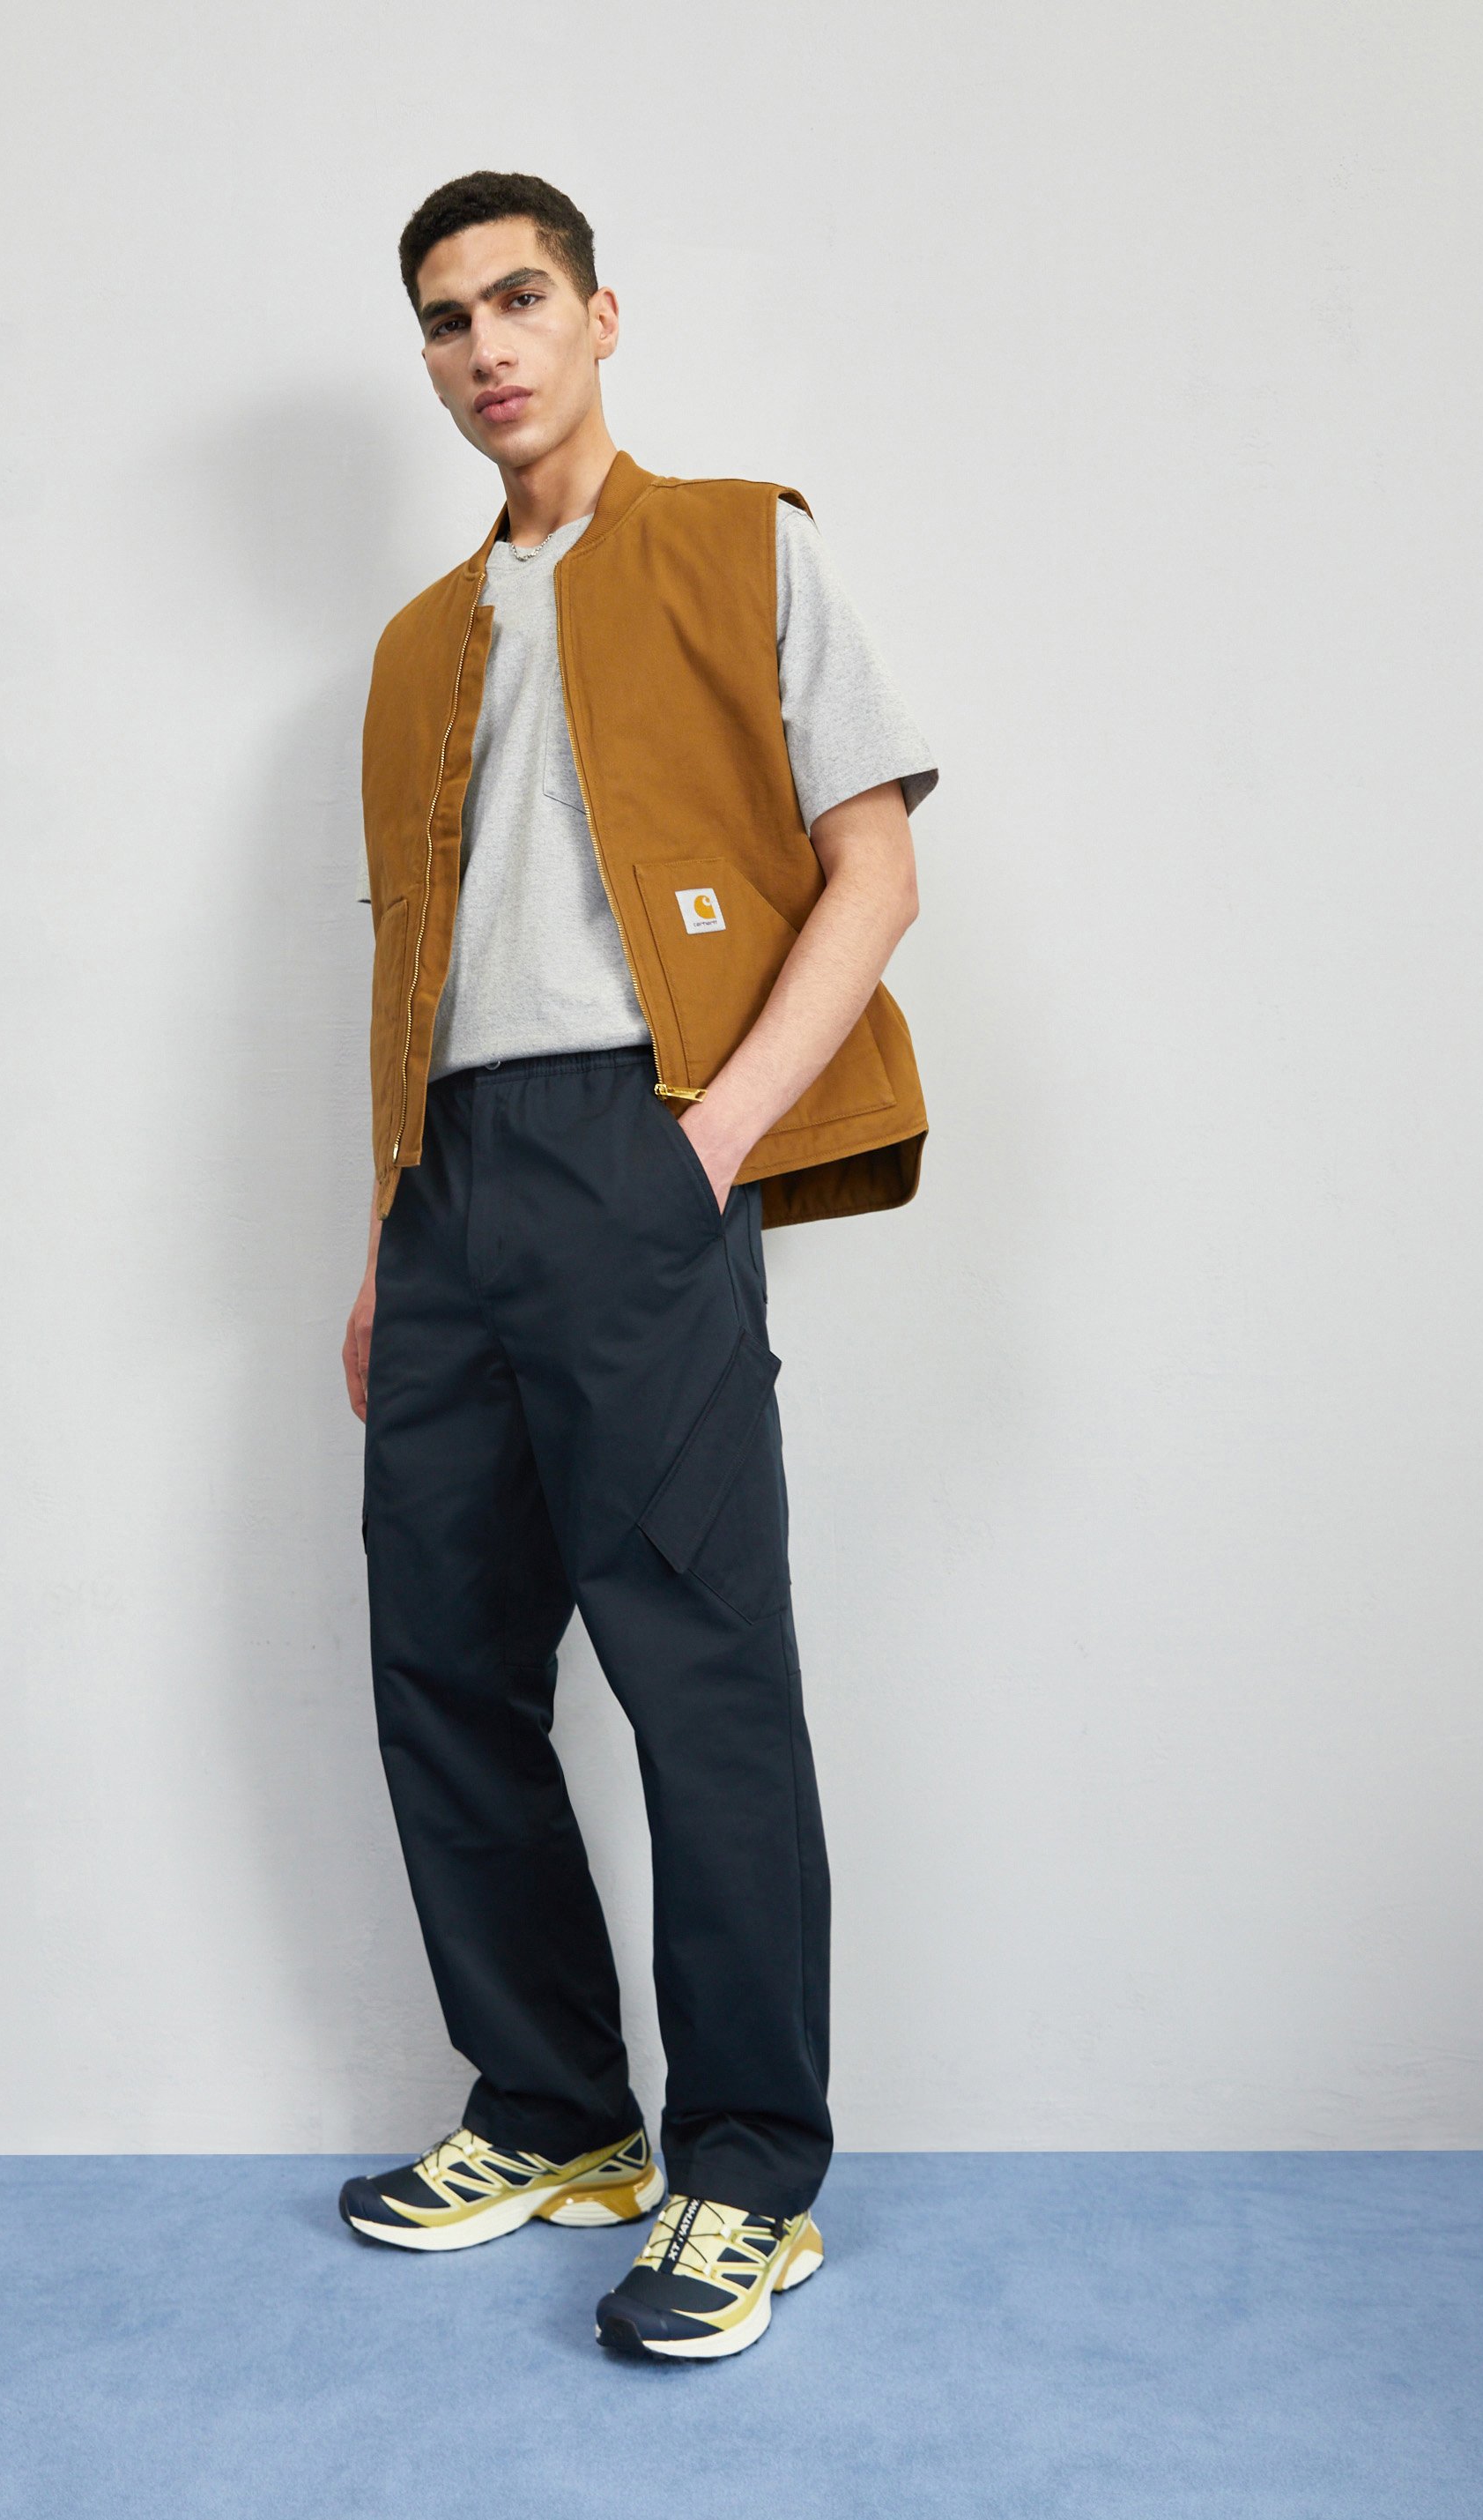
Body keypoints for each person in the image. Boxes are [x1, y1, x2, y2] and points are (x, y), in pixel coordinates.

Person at [337, 171, 937, 2361]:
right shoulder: (415, 643)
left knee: (699, 1671)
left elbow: (872, 868)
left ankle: (747, 2172)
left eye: (519, 299)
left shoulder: (741, 544)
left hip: (636, 1142)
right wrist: (386, 1237)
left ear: (600, 316)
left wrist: (706, 1149)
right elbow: (411, 970)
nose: (484, 345)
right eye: (445, 318)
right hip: (450, 1188)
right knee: (443, 1662)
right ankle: (554, 2110)